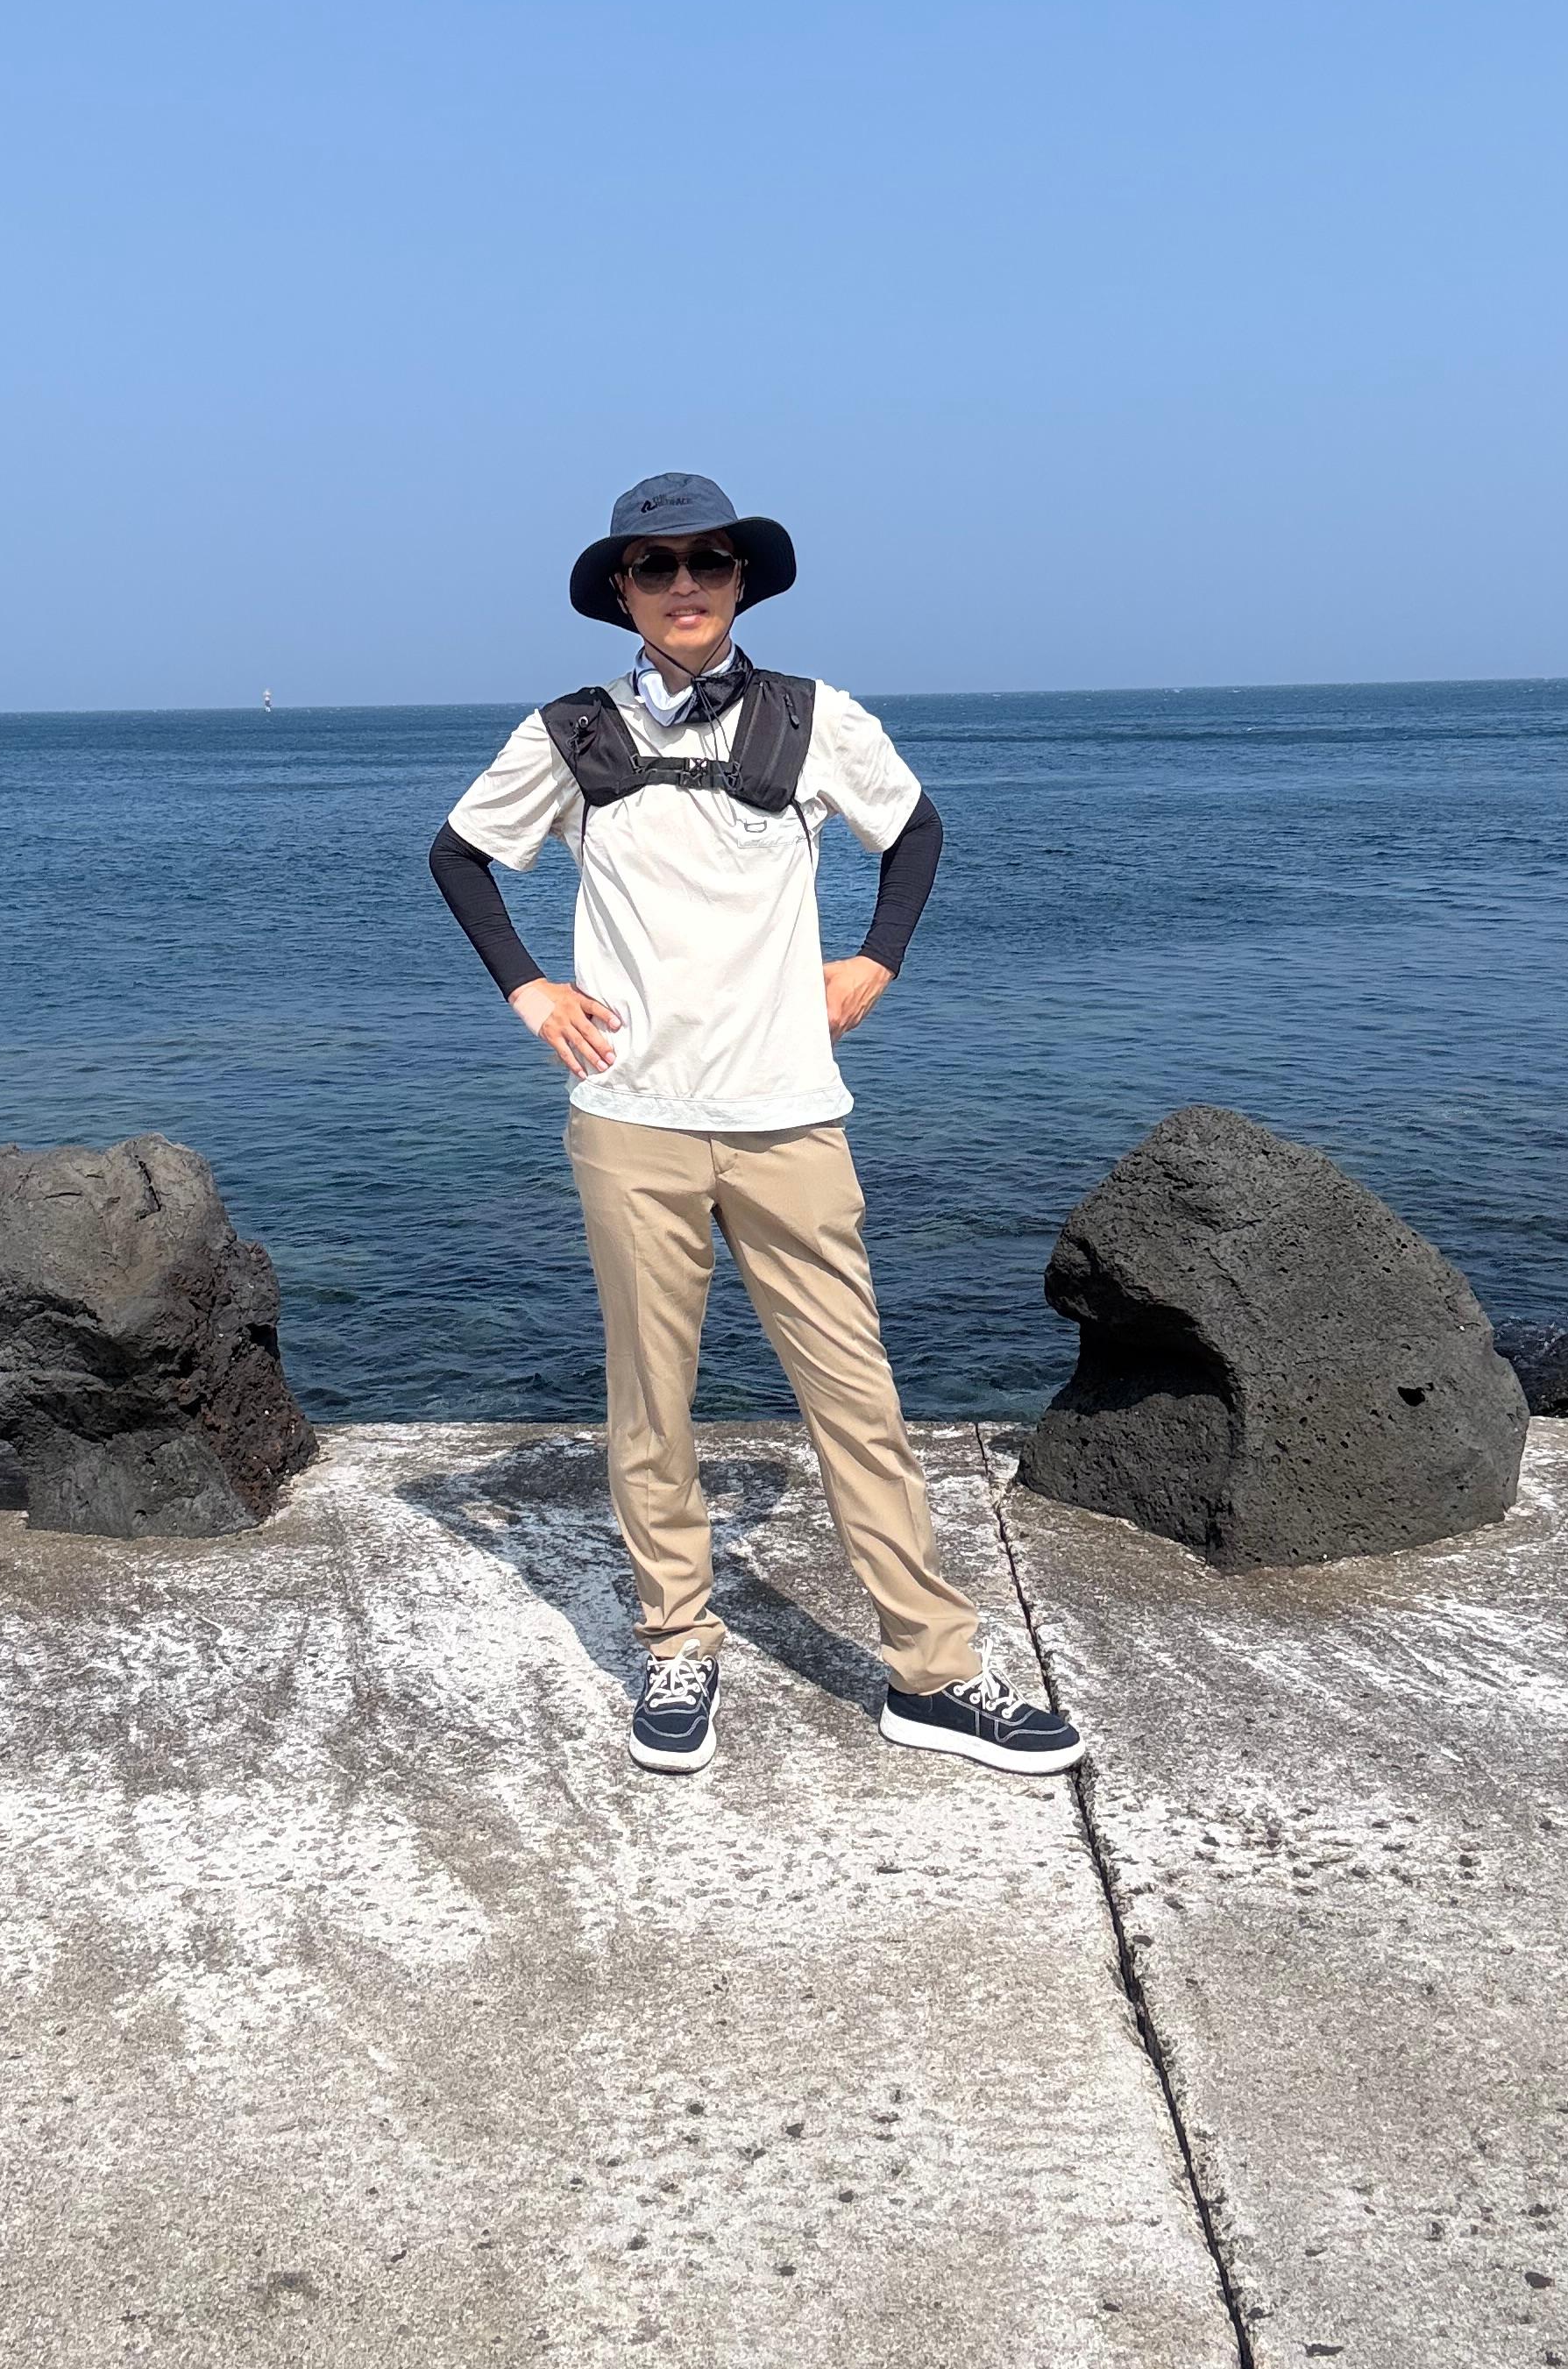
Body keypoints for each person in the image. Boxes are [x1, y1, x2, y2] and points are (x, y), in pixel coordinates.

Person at [428, 470, 1083, 1785]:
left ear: (741, 582)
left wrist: (875, 961)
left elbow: (915, 831)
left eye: (708, 563)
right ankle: (678, 1643)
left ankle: (935, 1671)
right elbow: (459, 854)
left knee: (858, 1396)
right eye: (656, 566)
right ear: (621, 591)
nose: (684, 585)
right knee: (650, 1403)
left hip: (790, 1117)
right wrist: (531, 990)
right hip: (633, 1119)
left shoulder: (811, 716)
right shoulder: (571, 731)